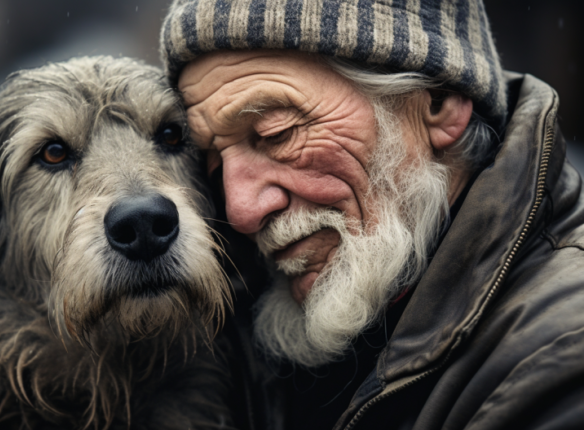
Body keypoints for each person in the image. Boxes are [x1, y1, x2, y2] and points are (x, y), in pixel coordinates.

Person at [158, 1, 584, 429]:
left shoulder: (560, 355)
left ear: (438, 99)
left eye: (277, 133)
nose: (241, 211)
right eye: (213, 164)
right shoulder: (232, 348)